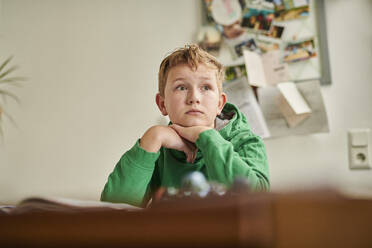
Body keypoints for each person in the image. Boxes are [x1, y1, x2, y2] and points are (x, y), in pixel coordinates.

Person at [101, 44, 269, 207]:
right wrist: (153, 137)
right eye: (181, 87)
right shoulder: (159, 148)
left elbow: (256, 200)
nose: (194, 97)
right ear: (162, 104)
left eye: (206, 87)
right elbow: (112, 212)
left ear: (220, 104)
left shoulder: (247, 143)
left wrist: (206, 137)